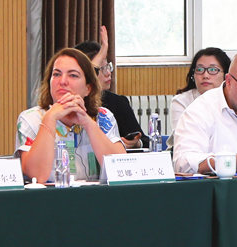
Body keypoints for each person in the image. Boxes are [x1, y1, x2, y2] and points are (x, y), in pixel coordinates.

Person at [17, 48, 126, 183]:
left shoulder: (103, 117)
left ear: (88, 88)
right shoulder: (30, 119)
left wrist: (88, 123)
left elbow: (121, 168)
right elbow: (36, 176)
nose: (62, 81)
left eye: (73, 75)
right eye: (56, 74)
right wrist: (50, 118)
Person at [76, 39, 147, 149]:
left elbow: (145, 141)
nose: (108, 73)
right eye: (102, 68)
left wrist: (136, 144)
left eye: (108, 66)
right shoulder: (71, 104)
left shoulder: (117, 103)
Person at [171, 48, 230, 131]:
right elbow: (181, 135)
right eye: (199, 70)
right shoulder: (181, 101)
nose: (205, 75)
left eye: (213, 70)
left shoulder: (233, 100)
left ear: (226, 75)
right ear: (193, 75)